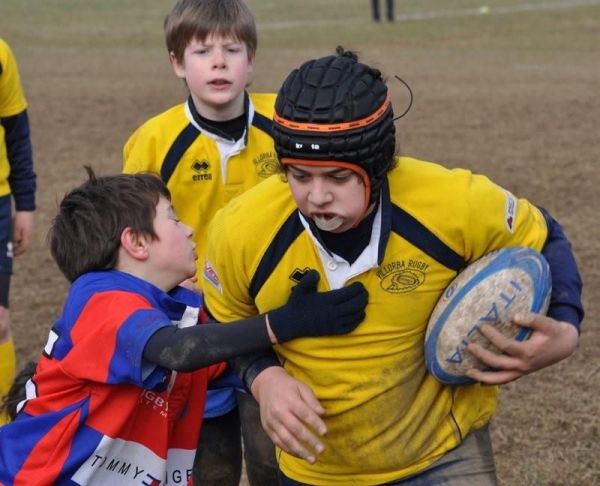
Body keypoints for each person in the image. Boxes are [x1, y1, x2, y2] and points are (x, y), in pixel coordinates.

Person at [202, 47, 584, 485]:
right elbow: (226, 320)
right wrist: (263, 377)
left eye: (338, 178)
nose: (316, 196)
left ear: (379, 165)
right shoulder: (242, 229)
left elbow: (544, 233)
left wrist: (565, 327)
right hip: (315, 470)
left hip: (444, 457)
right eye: (298, 175)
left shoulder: (450, 202)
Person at [0, 169, 368, 484]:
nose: (190, 230)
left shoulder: (184, 313)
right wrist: (283, 322)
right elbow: (176, 350)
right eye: (174, 219)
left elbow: (232, 357)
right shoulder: (100, 295)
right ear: (137, 242)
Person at [122, 0, 280, 483]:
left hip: (269, 319)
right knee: (207, 468)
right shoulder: (153, 140)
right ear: (176, 63)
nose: (218, 62)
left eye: (232, 50)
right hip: (194, 326)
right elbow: (132, 240)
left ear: (251, 61)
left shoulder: (287, 124)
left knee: (276, 459)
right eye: (202, 51)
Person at [0, 38, 37, 426]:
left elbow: (16, 132)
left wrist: (24, 203)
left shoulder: (1, 53)